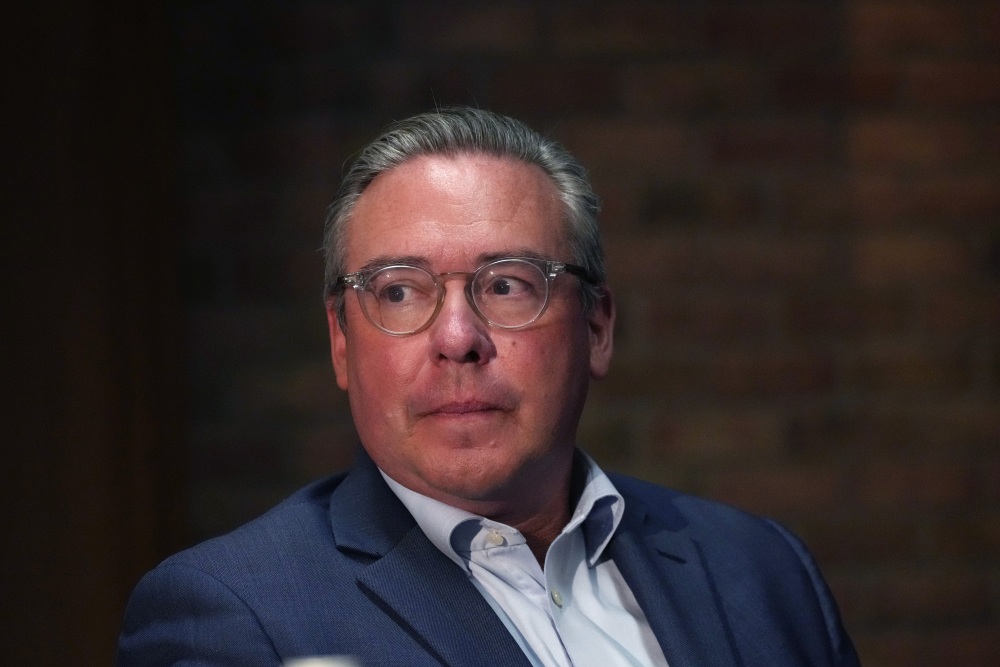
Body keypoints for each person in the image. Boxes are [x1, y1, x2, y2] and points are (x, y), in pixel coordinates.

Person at [117, 107, 860, 667]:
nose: (457, 338)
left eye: (507, 285)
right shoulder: (231, 615)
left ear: (596, 327)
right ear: (342, 341)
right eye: (400, 292)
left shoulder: (762, 572)